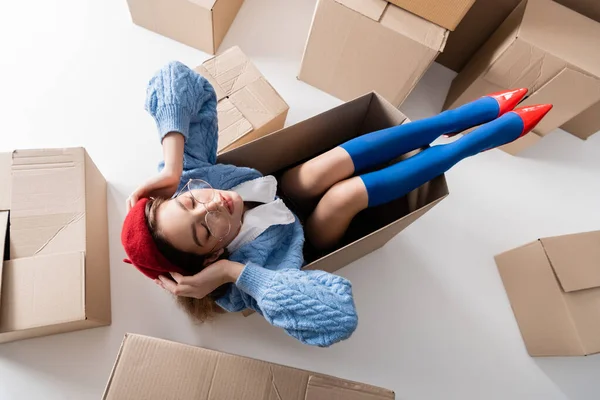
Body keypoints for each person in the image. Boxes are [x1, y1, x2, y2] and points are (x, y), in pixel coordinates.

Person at [122, 61, 551, 347]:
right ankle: (469, 145)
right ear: (211, 254)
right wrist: (235, 271)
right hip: (307, 235)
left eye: (191, 201)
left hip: (283, 191)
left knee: (316, 172)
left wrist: (173, 166)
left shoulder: (191, 177)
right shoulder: (236, 287)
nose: (213, 205)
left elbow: (176, 77)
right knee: (341, 196)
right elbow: (337, 318)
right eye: (205, 229)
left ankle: (452, 120)